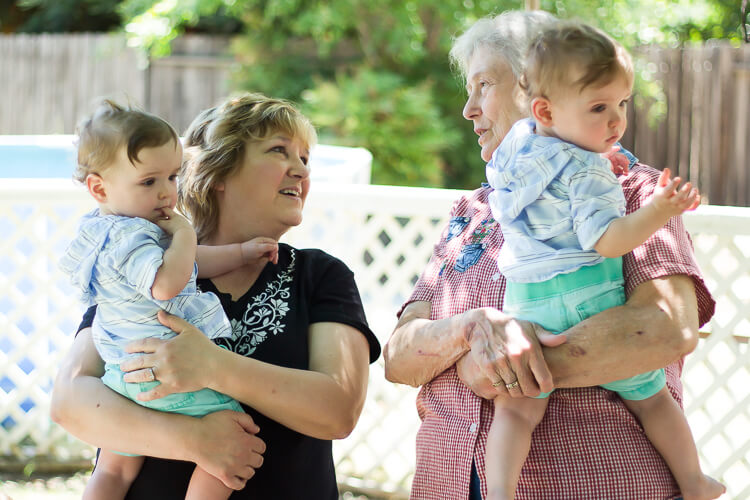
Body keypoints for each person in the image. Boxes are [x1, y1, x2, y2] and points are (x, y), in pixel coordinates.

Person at [383, 10, 718, 500]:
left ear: (533, 89)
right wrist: (470, 329)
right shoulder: (474, 209)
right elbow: (399, 356)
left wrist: (498, 369)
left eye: (483, 86)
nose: (468, 109)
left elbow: (664, 328)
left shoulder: (630, 191)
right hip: (448, 485)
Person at [51, 93, 381, 499]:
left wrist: (212, 366)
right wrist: (193, 439)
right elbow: (70, 401)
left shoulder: (320, 275)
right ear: (218, 171)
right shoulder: (145, 264)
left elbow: (338, 411)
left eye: (305, 158)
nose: (300, 170)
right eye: (280, 151)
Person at [482, 23, 724, 500]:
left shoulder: (515, 146)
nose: (616, 122)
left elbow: (548, 175)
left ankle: (499, 492)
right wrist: (657, 209)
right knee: (653, 399)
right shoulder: (589, 170)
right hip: (588, 298)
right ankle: (693, 482)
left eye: (622, 104)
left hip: (526, 306)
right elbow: (608, 241)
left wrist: (589, 144)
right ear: (546, 109)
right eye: (599, 108)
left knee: (516, 410)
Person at [58, 100, 280, 500]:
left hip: (123, 376)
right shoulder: (133, 238)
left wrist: (242, 253)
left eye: (173, 177)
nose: (166, 192)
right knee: (230, 438)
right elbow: (167, 284)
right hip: (167, 372)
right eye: (148, 182)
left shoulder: (101, 230)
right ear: (99, 187)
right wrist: (184, 234)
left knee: (113, 469)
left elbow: (193, 264)